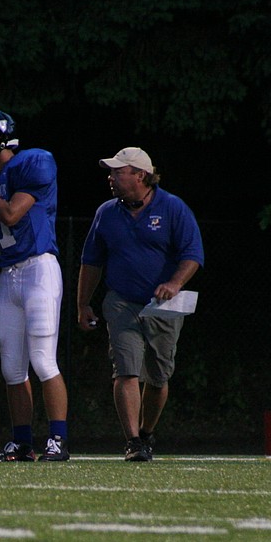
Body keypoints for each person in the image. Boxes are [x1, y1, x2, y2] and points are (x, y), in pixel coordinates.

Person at [77, 147, 204, 461]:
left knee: (159, 377)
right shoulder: (106, 212)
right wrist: (83, 303)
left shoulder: (173, 208)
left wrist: (174, 283)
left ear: (140, 175)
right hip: (121, 302)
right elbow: (91, 262)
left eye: (118, 172)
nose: (111, 177)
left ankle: (147, 432)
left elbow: (193, 254)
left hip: (162, 305)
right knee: (126, 370)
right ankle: (133, 441)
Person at [0, 109, 70, 462]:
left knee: (42, 360)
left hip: (40, 269)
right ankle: (22, 441)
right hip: (9, 276)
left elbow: (10, 214)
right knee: (11, 367)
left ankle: (58, 439)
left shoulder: (33, 163)